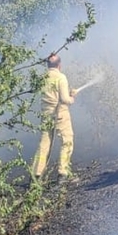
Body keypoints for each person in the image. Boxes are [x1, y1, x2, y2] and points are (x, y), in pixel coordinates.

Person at [32, 53, 79, 181]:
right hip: (60, 114)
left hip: (46, 115)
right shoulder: (61, 77)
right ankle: (63, 173)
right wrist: (72, 97)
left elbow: (51, 95)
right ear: (59, 65)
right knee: (67, 141)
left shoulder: (42, 78)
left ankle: (36, 174)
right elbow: (64, 99)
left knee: (44, 144)